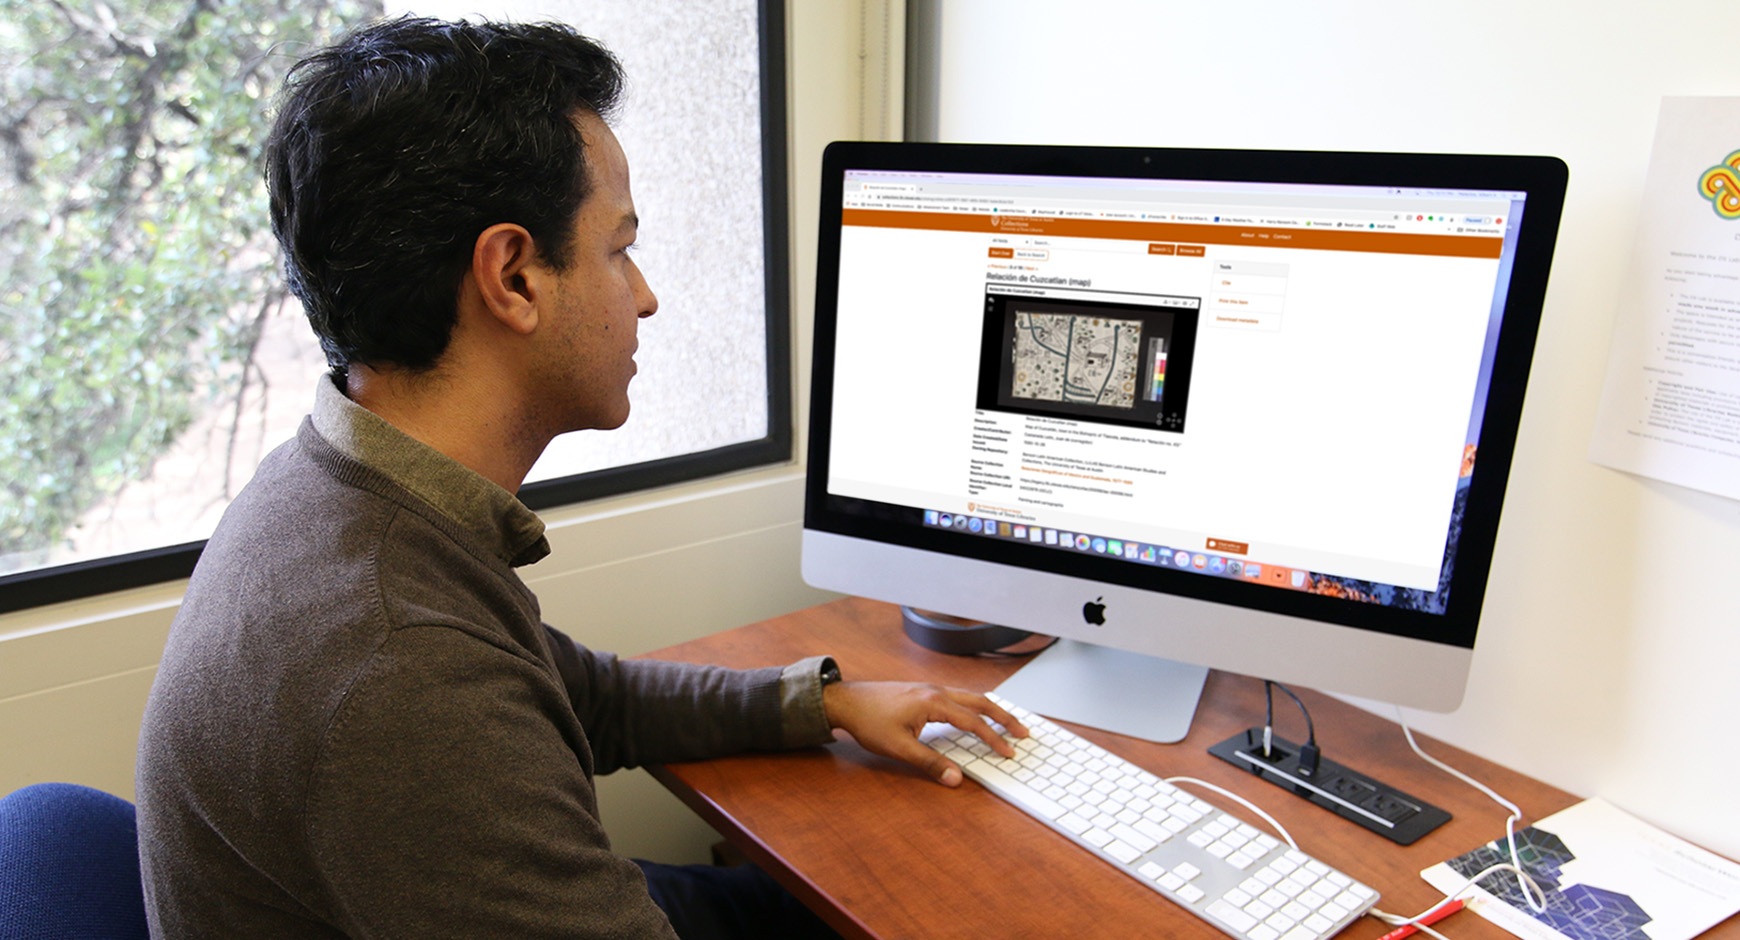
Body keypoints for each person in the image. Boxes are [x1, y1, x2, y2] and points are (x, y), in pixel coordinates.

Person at [134, 17, 1025, 940]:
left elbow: (576, 695)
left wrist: (824, 700)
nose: (644, 295)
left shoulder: (342, 491)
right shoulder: (398, 669)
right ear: (513, 277)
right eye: (619, 248)